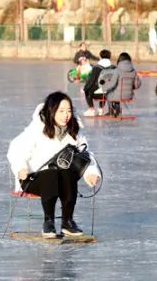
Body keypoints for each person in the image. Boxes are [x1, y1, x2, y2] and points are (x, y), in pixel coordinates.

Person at [7, 91, 101, 238]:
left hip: (61, 179)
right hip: (33, 178)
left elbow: (85, 155)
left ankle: (67, 222)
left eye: (68, 111)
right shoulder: (37, 129)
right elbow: (15, 149)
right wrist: (20, 168)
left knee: (68, 172)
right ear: (51, 111)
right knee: (52, 173)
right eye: (61, 111)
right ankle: (48, 222)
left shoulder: (74, 130)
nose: (66, 115)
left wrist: (90, 173)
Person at [82, 49, 113, 116]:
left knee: (87, 91)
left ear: (100, 57)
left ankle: (91, 109)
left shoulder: (96, 67)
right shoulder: (113, 68)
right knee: (106, 88)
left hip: (98, 92)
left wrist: (85, 88)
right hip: (109, 93)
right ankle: (101, 109)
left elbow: (91, 80)